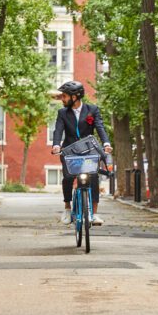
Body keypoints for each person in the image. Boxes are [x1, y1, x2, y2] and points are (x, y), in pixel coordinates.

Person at [50, 80, 112, 225]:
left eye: (65, 96)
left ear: (74, 97)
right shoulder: (62, 113)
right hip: (69, 151)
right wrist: (56, 145)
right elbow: (58, 130)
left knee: (94, 178)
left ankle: (95, 213)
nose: (62, 99)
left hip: (88, 150)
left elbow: (100, 127)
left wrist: (106, 143)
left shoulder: (92, 110)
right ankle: (67, 208)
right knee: (68, 177)